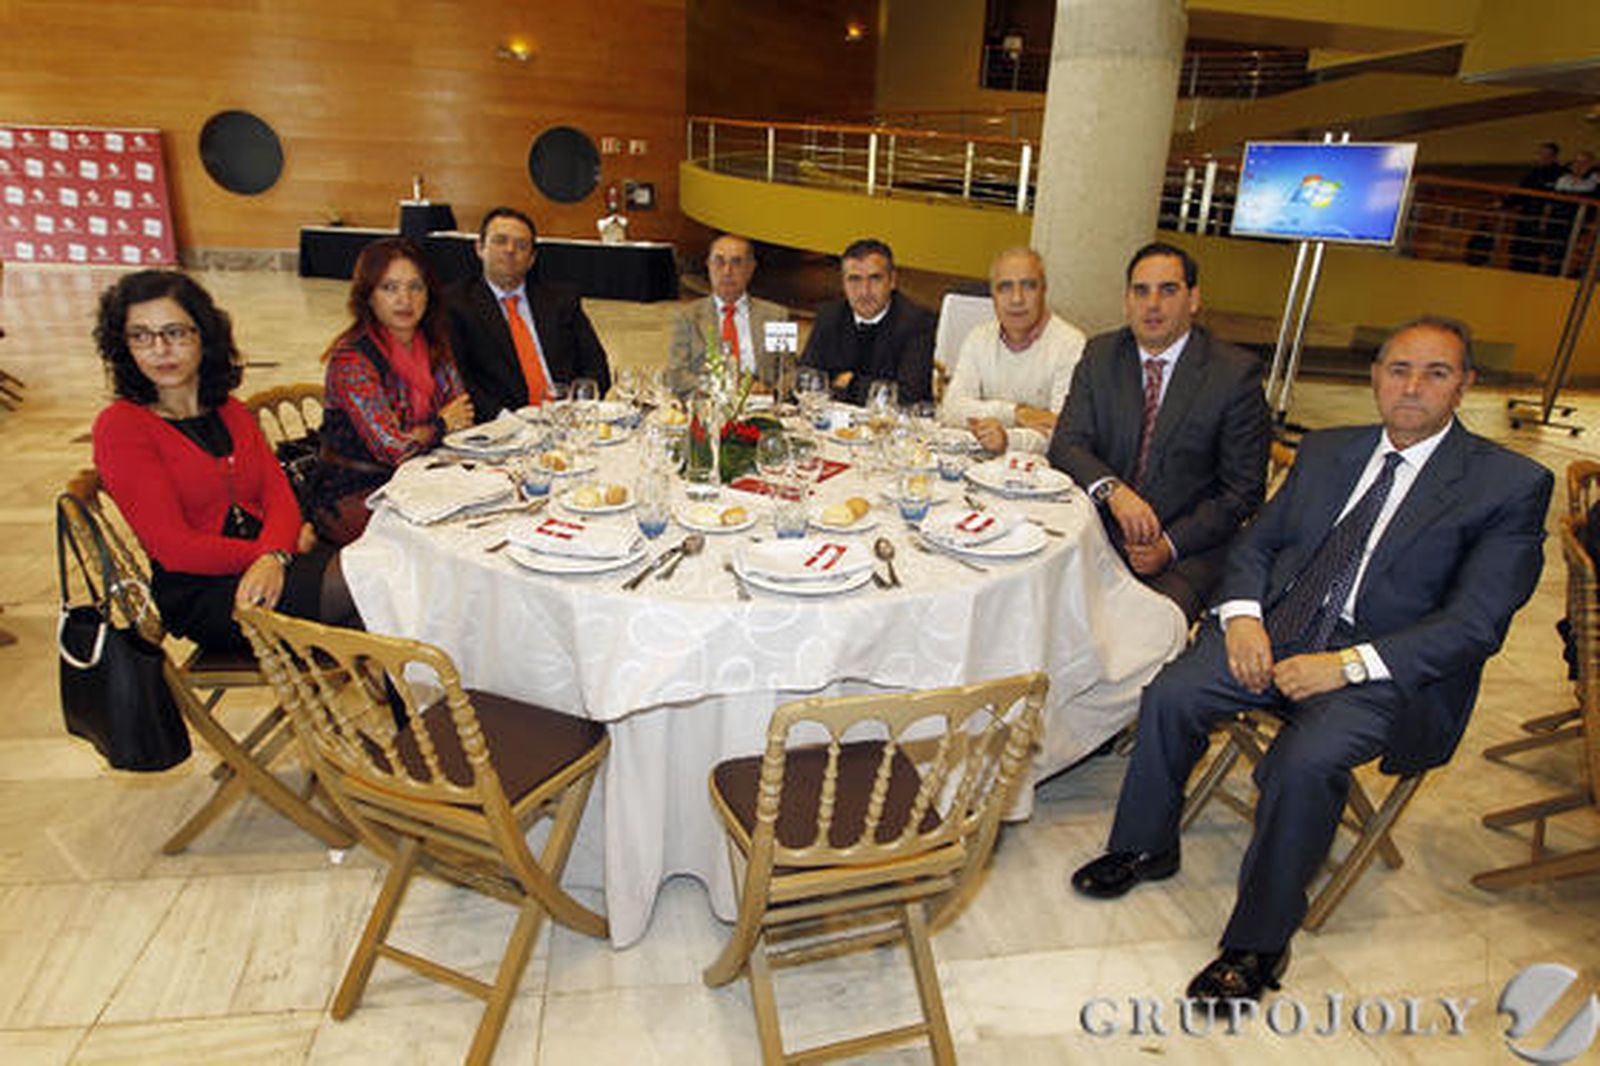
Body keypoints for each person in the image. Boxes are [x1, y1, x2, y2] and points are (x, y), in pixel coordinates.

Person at [1070, 317, 1552, 1003]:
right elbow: (1257, 546)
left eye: (1435, 373)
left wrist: (1347, 665)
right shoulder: (1328, 451)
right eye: (1398, 369)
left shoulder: (1507, 485)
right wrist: (1241, 621)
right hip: (1279, 633)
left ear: (1466, 384)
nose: (1412, 387)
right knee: (1171, 692)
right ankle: (1147, 844)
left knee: (1303, 761)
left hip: (1383, 672)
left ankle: (1258, 945)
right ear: (1376, 376)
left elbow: (1475, 624)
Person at [91, 270, 361, 654]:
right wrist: (272, 555)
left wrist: (274, 554)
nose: (159, 349)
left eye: (175, 332)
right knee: (379, 589)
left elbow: (277, 493)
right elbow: (173, 547)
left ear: (204, 336)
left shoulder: (229, 410)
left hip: (273, 561)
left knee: (387, 589)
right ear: (124, 346)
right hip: (205, 590)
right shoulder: (121, 427)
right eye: (141, 336)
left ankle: (416, 706)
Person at [1047, 242, 1269, 621]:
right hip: (1096, 531)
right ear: (1126, 301)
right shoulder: (1101, 355)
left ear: (1193, 299)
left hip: (1187, 550)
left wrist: (1170, 544)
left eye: (1168, 290)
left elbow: (1243, 491)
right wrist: (1114, 491)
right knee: (1038, 606)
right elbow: (1067, 444)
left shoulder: (1233, 375)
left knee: (1138, 630)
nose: (1153, 304)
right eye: (1141, 291)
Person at [315, 238, 474, 544]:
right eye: (390, 288)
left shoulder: (433, 345)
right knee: (442, 541)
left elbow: (463, 416)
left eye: (416, 287)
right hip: (358, 490)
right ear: (369, 296)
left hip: (422, 477)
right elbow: (393, 449)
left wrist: (434, 430)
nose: (405, 299)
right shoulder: (352, 359)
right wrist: (440, 425)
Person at [448, 206, 611, 419]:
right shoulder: (456, 304)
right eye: (500, 241)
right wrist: (506, 422)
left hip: (567, 420)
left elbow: (595, 365)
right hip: (501, 426)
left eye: (521, 245)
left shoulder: (561, 299)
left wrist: (577, 411)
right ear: (480, 248)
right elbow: (460, 380)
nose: (510, 250)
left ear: (532, 258)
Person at [939, 247, 1086, 454]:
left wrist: (1007, 439)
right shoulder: (978, 337)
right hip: (979, 464)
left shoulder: (1071, 344)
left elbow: (1061, 432)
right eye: (1005, 287)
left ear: (1044, 290)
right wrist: (1016, 413)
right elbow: (952, 409)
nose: (1017, 299)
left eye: (1028, 286)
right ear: (993, 295)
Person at [799, 238, 935, 407]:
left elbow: (908, 396)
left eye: (875, 278)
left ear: (892, 281)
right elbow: (807, 380)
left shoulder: (917, 322)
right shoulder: (830, 315)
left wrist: (849, 382)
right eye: (854, 279)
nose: (864, 291)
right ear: (843, 283)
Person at [665, 234, 791, 397]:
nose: (727, 271)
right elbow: (676, 374)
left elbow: (789, 371)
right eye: (719, 262)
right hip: (709, 404)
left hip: (761, 407)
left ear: (751, 268)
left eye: (736, 263)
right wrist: (720, 386)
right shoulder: (688, 316)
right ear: (708, 266)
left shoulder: (776, 316)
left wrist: (771, 390)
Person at [1508, 142, 1564, 274]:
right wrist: (1505, 202)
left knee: (1534, 254)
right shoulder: (1533, 173)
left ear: (1554, 157)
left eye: (1547, 155)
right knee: (1518, 250)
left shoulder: (1559, 175)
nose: (1543, 157)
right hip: (1526, 217)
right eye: (1541, 154)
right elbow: (1520, 193)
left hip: (1544, 221)